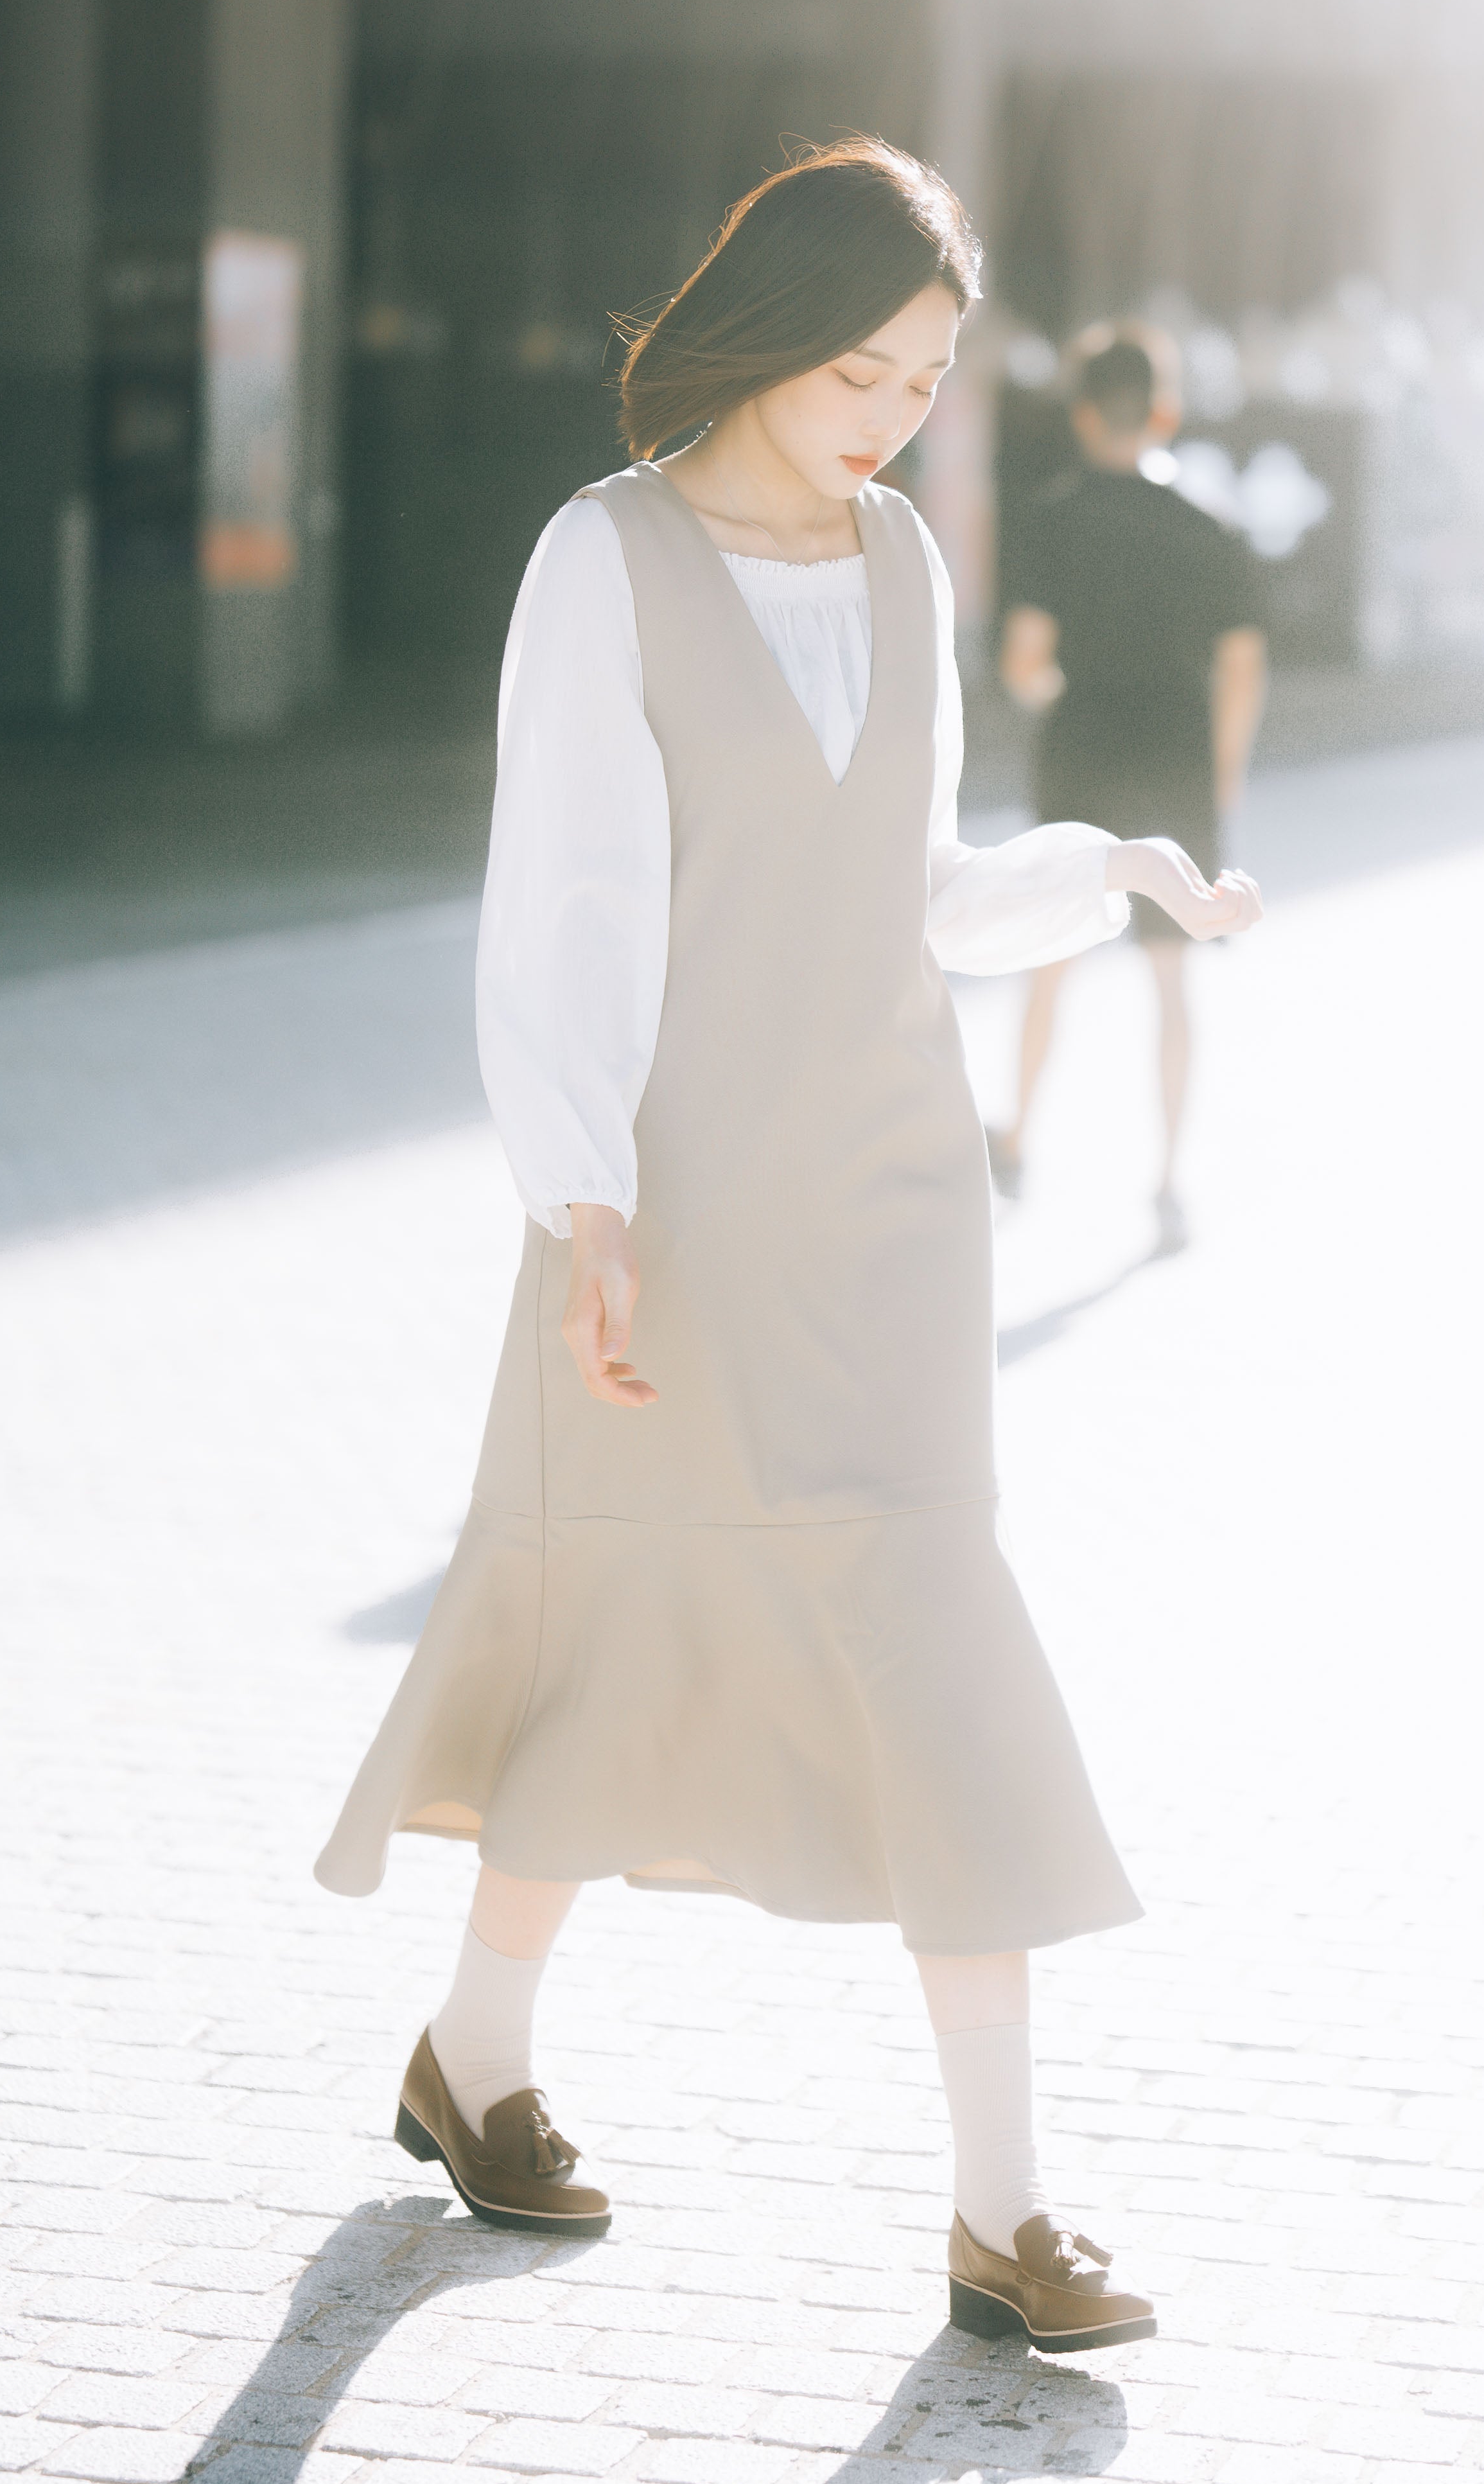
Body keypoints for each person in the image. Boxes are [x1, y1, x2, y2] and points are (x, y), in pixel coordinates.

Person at [316, 142, 1262, 2355]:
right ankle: (476, 2055)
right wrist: (586, 1198)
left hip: (896, 1196)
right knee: (615, 1622)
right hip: (678, 1201)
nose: (893, 417)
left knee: (937, 1639)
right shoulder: (605, 558)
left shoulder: (911, 561)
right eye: (863, 368)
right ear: (768, 332)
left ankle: (1005, 2211)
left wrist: (1111, 865)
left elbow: (908, 885)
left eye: (928, 383)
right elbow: (555, 902)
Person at [991, 324, 1266, 1251]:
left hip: (1080, 753)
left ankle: (1019, 1137)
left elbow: (1024, 660)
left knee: (1049, 956)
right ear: (1165, 410)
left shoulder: (1051, 516)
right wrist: (1217, 775)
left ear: (1079, 414)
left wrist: (1055, 693)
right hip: (1179, 757)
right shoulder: (1212, 527)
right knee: (1172, 972)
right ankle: (1169, 1178)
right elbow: (1241, 670)